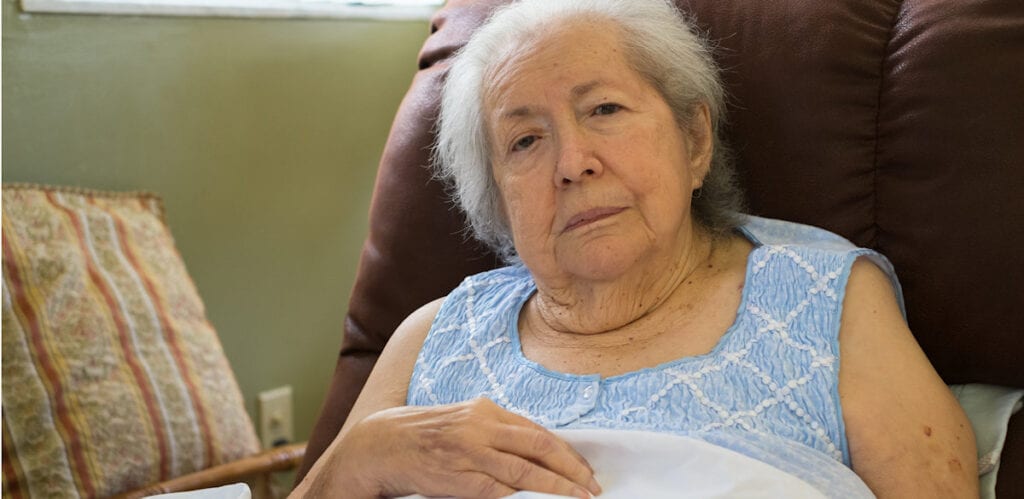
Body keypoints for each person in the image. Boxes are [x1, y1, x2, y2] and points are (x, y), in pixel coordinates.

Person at [292, 0, 978, 497]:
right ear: (497, 201)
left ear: (694, 140)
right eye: (525, 140)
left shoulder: (820, 300)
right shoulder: (435, 336)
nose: (572, 162)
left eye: (604, 110)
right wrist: (359, 456)